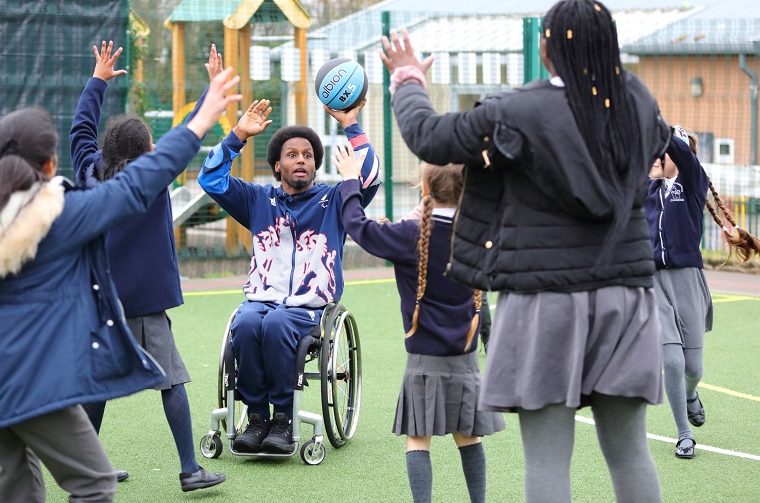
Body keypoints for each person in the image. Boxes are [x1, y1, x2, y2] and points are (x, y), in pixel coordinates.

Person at [0, 68, 241, 502]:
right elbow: (138, 184)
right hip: (32, 382)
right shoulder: (59, 216)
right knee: (94, 484)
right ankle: (186, 467)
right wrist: (201, 120)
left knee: (15, 483)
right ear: (50, 166)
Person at [381, 0, 670, 502]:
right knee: (629, 452)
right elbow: (658, 137)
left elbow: (428, 136)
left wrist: (408, 81)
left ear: (547, 48)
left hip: (545, 299)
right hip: (628, 298)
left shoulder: (517, 110)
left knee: (547, 458)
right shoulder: (638, 101)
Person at [69, 41, 226, 491]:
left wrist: (97, 78)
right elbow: (187, 135)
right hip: (142, 304)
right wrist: (211, 91)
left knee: (97, 386)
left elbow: (81, 129)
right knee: (171, 380)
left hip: (97, 304)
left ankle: (85, 470)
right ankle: (190, 470)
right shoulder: (151, 180)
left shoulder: (89, 171)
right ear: (144, 153)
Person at [197, 95, 382, 454]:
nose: (301, 159)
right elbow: (211, 178)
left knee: (279, 324)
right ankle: (256, 417)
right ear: (278, 165)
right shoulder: (256, 200)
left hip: (308, 308)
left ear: (315, 167)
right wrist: (237, 134)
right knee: (248, 322)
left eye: (308, 156)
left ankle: (282, 419)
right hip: (261, 300)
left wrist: (350, 124)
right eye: (292, 155)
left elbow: (370, 174)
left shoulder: (335, 200)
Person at [332, 149, 504, 503]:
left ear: (424, 187)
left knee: (417, 440)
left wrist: (350, 179)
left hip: (424, 359)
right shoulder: (479, 234)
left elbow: (358, 227)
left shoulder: (411, 233)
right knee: (468, 437)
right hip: (466, 356)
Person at [646, 125, 760, 459]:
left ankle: (690, 393)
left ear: (678, 157)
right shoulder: (645, 188)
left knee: (693, 367)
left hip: (687, 282)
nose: (654, 158)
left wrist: (654, 121)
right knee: (671, 359)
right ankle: (684, 434)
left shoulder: (692, 181)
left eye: (662, 152)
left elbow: (681, 152)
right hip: (652, 282)